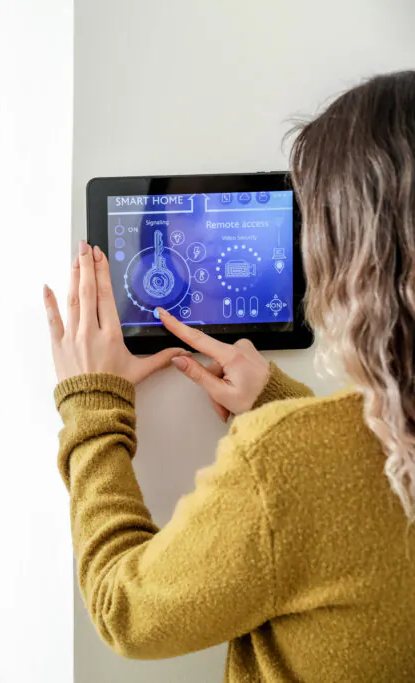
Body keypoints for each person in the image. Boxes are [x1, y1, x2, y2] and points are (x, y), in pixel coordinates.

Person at [43, 70, 415, 683]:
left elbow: (125, 611)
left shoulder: (283, 463)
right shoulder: (307, 451)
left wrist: (93, 406)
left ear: (349, 260)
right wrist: (277, 402)